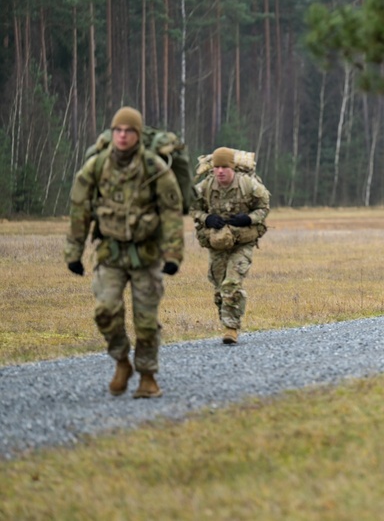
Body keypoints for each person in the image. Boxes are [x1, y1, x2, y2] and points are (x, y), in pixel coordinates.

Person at [64, 106, 183, 399]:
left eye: (129, 131)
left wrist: (173, 255)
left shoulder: (155, 168)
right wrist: (74, 252)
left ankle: (147, 376)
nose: (122, 135)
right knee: (105, 311)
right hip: (111, 251)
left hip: (146, 254)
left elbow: (171, 212)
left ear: (138, 135)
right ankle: (121, 362)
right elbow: (80, 210)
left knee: (145, 320)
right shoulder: (97, 166)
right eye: (118, 130)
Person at [191, 147, 271, 345]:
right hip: (217, 243)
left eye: (224, 167)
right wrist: (207, 218)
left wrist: (249, 218)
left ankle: (231, 328)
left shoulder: (248, 185)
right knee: (219, 287)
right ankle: (226, 319)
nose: (220, 171)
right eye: (217, 167)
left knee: (231, 284)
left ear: (232, 168)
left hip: (242, 243)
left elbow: (264, 207)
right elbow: (192, 207)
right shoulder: (205, 187)